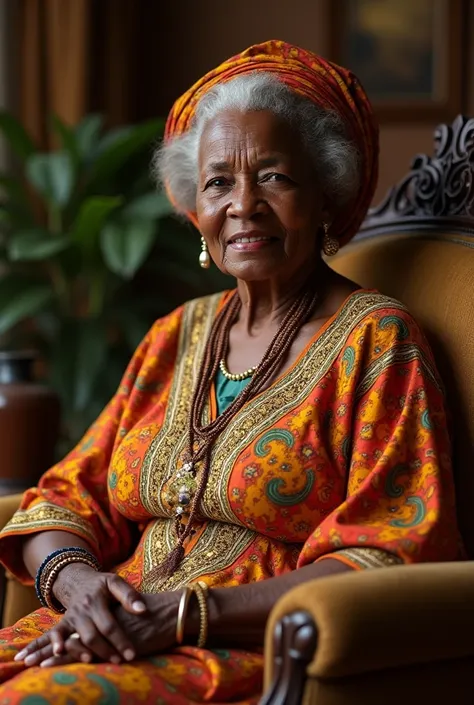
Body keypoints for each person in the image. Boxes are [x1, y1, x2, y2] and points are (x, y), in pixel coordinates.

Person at [0, 39, 462, 704]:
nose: (243, 203)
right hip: (107, 625)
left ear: (325, 195)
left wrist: (185, 614)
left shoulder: (377, 342)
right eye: (219, 181)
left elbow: (392, 550)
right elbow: (68, 495)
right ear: (198, 209)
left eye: (274, 176)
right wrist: (79, 586)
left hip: (244, 646)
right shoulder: (175, 334)